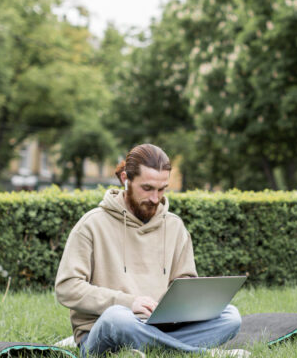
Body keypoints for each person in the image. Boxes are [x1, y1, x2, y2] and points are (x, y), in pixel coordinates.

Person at [55, 144, 245, 357]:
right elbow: (67, 288)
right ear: (126, 180)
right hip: (105, 330)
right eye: (147, 188)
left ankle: (149, 349)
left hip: (162, 326)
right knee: (117, 318)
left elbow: (183, 284)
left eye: (162, 189)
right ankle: (200, 353)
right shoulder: (91, 224)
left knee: (231, 317)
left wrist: (180, 307)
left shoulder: (174, 227)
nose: (156, 198)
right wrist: (128, 303)